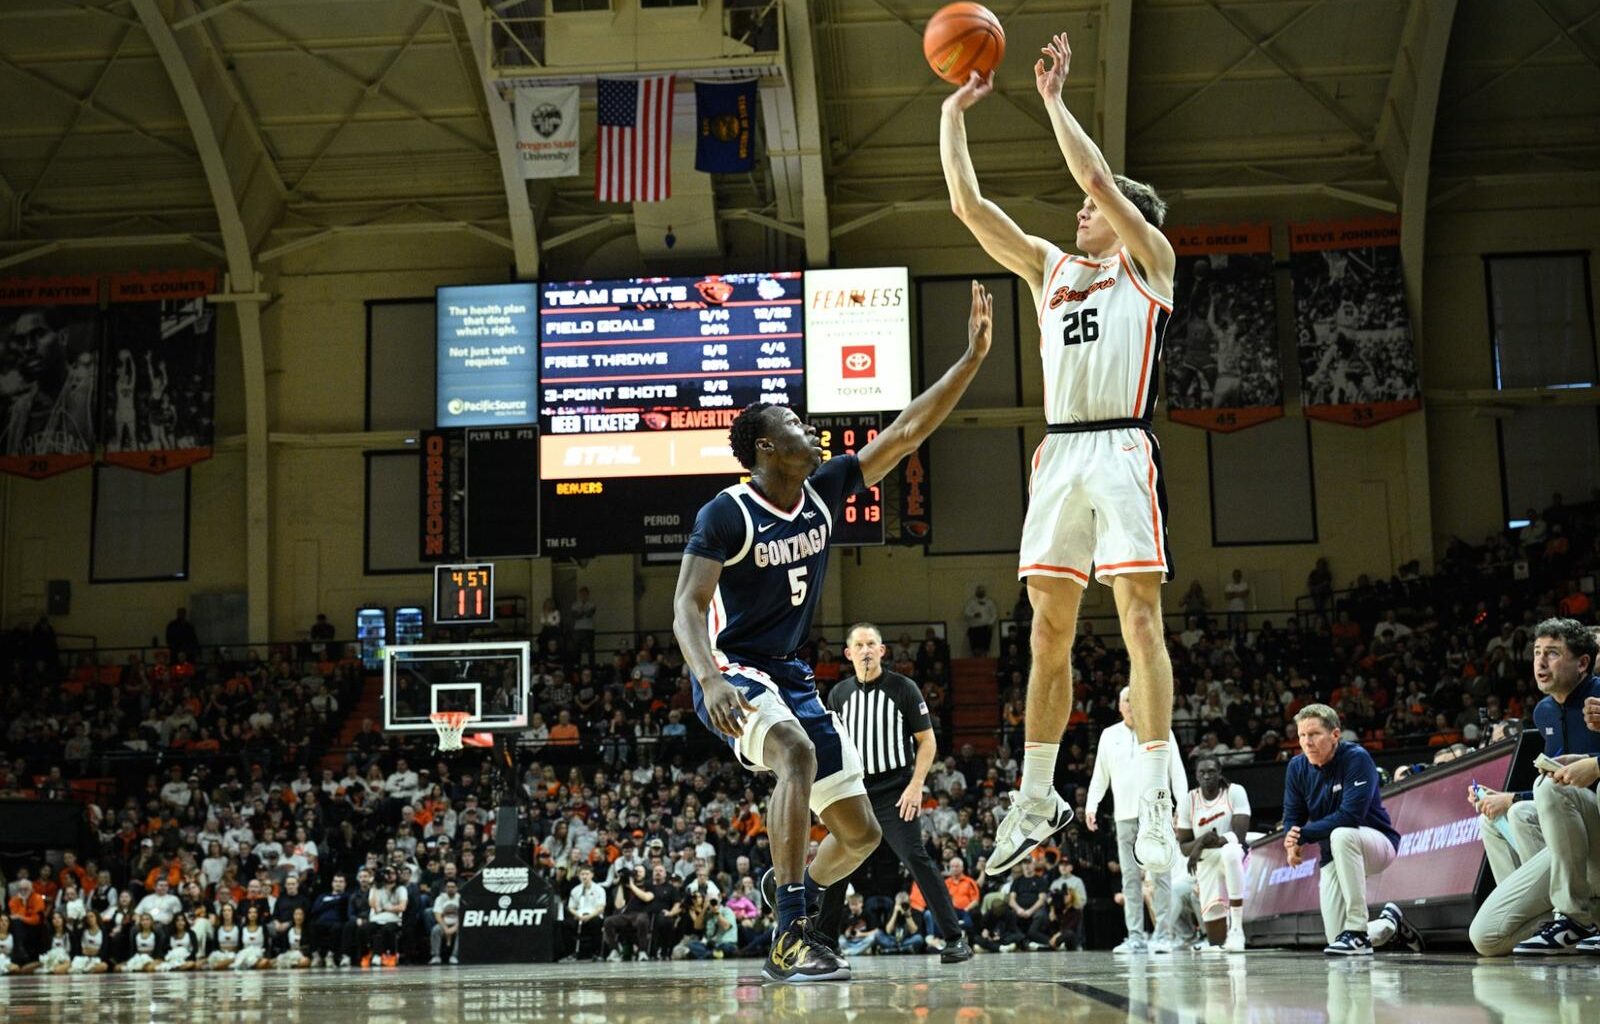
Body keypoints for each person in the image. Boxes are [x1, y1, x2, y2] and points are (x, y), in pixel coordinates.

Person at [672, 280, 995, 983]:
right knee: (791, 754)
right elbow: (687, 607)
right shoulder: (726, 512)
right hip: (734, 670)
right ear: (765, 445)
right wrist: (709, 678)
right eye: (793, 421)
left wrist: (969, 360)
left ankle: (790, 891)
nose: (808, 426)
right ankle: (790, 934)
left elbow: (907, 432)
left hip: (790, 674)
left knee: (860, 834)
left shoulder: (823, 488)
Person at [940, 32, 1180, 879]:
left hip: (1120, 444)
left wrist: (1050, 101)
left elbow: (1099, 183)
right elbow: (971, 209)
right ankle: (1036, 796)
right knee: (1048, 631)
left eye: (1090, 213)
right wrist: (950, 118)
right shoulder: (1053, 270)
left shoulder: (1150, 263)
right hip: (1061, 455)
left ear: (1126, 221)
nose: (1077, 216)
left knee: (1139, 618)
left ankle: (1155, 795)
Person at [815, 622, 972, 963]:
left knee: (916, 858)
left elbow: (928, 742)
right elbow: (832, 748)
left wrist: (916, 786)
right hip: (854, 790)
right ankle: (825, 940)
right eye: (859, 645)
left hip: (895, 790)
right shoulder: (838, 694)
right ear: (848, 653)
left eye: (872, 644)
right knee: (841, 862)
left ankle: (955, 937)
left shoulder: (904, 688)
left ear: (882, 651)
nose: (866, 650)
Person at [1469, 618, 1600, 955]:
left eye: (1553, 653)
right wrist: (1511, 799)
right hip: (1574, 839)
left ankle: (1574, 916)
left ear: (1582, 663)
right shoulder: (1544, 712)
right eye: (1537, 653)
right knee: (1486, 938)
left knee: (1541, 792)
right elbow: (1556, 787)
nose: (1540, 663)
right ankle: (1563, 922)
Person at [1282, 704, 1421, 955]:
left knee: (1343, 832)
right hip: (1331, 854)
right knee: (1335, 939)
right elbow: (1293, 816)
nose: (1306, 742)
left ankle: (1357, 931)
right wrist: (1291, 842)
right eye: (1302, 735)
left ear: (1335, 735)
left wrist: (1305, 835)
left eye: (1314, 734)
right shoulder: (1296, 767)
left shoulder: (1356, 757)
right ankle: (1389, 923)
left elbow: (1350, 816)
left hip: (1376, 843)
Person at [1085, 686, 1187, 952]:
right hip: (1124, 816)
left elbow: (1176, 769)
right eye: (1126, 701)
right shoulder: (1109, 736)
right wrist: (1091, 804)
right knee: (1130, 878)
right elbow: (1100, 774)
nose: (1131, 705)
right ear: (1120, 706)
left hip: (1157, 815)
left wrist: (1182, 806)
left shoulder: (1160, 729)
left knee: (1161, 876)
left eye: (1135, 699)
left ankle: (1164, 935)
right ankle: (1136, 937)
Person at [1175, 756, 1249, 953]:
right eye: (1202, 773)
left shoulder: (1234, 792)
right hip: (1205, 862)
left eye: (1211, 772)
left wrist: (1205, 842)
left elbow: (1239, 836)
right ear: (1196, 776)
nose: (1207, 776)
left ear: (1219, 773)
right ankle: (1220, 938)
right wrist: (1201, 842)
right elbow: (1183, 846)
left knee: (1231, 851)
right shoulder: (1188, 800)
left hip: (1230, 856)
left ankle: (1237, 929)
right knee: (1217, 943)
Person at [563, 865, 606, 962]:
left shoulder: (599, 889)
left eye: (587, 874)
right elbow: (571, 907)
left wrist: (590, 916)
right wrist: (577, 915)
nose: (584, 876)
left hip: (593, 915)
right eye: (582, 874)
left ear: (592, 875)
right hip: (579, 916)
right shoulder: (575, 890)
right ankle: (570, 953)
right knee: (566, 924)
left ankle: (596, 953)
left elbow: (601, 907)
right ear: (579, 876)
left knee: (596, 922)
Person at [429, 878, 461, 965]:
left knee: (462, 931)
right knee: (435, 930)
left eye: (452, 887)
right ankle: (436, 956)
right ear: (445, 888)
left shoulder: (460, 898)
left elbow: (463, 916)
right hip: (444, 924)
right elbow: (438, 915)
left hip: (457, 924)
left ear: (456, 888)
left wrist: (455, 927)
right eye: (448, 887)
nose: (450, 888)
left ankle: (455, 956)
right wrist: (445, 928)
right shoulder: (440, 898)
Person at [964, 585, 999, 657]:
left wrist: (990, 623)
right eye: (978, 591)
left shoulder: (990, 602)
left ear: (984, 592)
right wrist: (973, 614)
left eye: (981, 591)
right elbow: (966, 612)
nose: (980, 592)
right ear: (976, 592)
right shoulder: (971, 602)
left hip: (986, 627)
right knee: (975, 646)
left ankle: (984, 657)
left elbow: (994, 614)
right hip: (974, 628)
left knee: (985, 646)